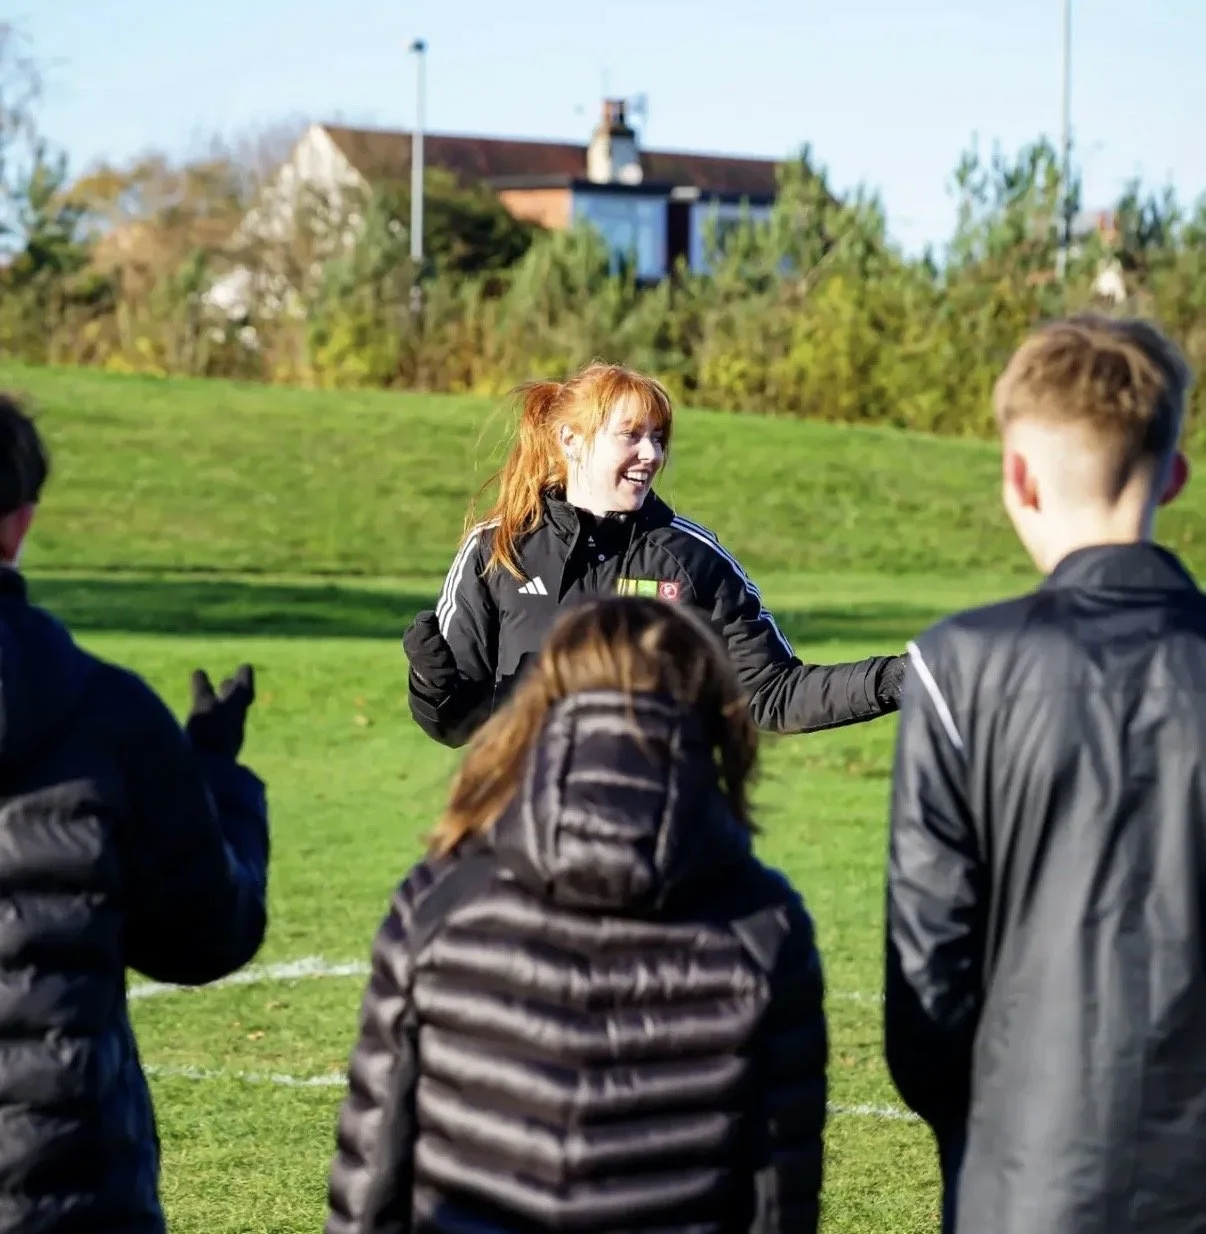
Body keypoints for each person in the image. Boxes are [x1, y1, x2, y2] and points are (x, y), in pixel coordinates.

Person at [329, 593, 827, 1234]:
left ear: (541, 700)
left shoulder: (439, 901)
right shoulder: (765, 926)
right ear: (712, 708)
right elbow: (777, 1199)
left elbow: (374, 1167)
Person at [884, 314, 1206, 1234]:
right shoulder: (958, 671)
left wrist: (996, 1136)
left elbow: (928, 982)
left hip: (1025, 1182)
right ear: (1173, 475)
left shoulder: (958, 667)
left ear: (1017, 477)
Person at [0, 394, 270, 1234]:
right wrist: (217, 777)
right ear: (19, 523)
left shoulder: (112, 716)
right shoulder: (109, 716)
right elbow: (205, 934)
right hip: (69, 1185)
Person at [404, 361, 906, 746]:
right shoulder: (497, 550)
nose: (652, 454)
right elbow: (455, 724)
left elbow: (774, 695)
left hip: (650, 832)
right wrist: (434, 683)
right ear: (571, 440)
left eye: (658, 439)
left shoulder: (692, 559)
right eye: (632, 436)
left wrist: (896, 680)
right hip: (523, 833)